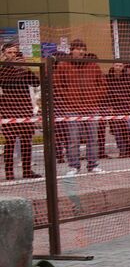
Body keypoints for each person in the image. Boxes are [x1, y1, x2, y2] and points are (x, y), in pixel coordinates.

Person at [52, 39, 105, 175]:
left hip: (91, 107)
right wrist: (68, 97)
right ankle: (74, 166)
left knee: (93, 138)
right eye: (78, 49)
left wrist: (95, 97)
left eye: (83, 49)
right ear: (71, 50)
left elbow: (103, 84)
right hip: (72, 108)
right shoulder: (63, 65)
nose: (81, 52)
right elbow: (57, 85)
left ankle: (93, 165)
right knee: (73, 139)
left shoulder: (93, 66)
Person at [0, 40, 39, 180]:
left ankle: (27, 170)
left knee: (26, 140)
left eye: (14, 52)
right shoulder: (2, 68)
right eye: (9, 52)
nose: (12, 55)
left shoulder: (22, 68)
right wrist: (11, 66)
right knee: (10, 141)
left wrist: (24, 67)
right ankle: (9, 172)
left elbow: (35, 82)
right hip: (8, 108)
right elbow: (4, 81)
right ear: (3, 54)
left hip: (24, 108)